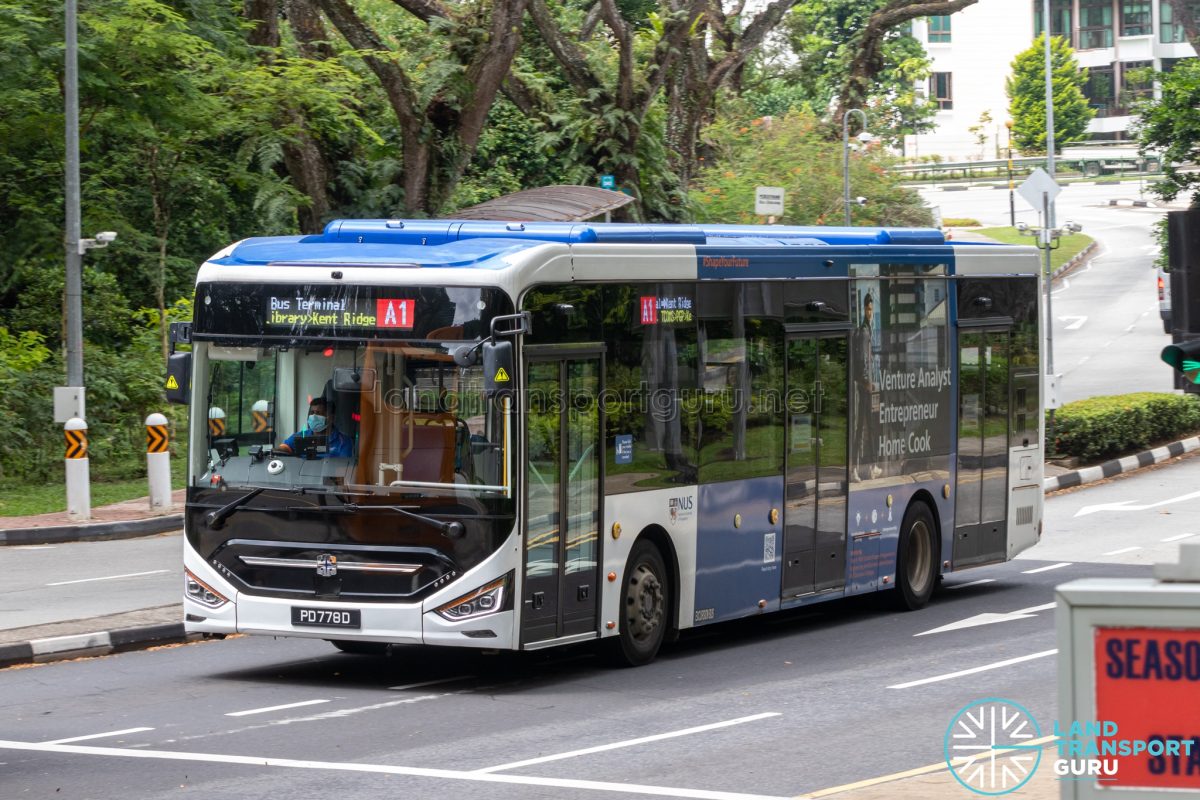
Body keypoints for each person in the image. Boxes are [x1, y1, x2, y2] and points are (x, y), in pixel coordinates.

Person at [851, 291, 881, 482]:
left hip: (865, 386)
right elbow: (862, 359)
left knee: (867, 427)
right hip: (864, 388)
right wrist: (867, 382)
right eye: (868, 309)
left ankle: (871, 466)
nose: (870, 312)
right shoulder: (863, 331)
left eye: (871, 309)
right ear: (863, 309)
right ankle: (857, 468)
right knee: (862, 428)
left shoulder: (867, 329)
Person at [277, 397, 352, 458]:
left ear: (331, 418)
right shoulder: (302, 436)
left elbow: (343, 469)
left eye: (318, 413)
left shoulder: (343, 442)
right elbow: (285, 447)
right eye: (312, 413)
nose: (314, 416)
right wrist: (279, 450)